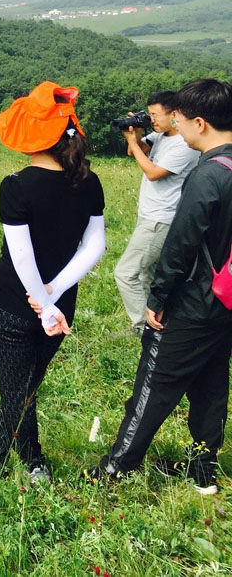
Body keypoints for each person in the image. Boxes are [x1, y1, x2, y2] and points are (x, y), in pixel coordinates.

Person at [91, 79, 232, 495]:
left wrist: (157, 300)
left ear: (200, 123)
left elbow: (182, 244)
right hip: (226, 300)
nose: (178, 128)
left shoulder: (208, 175)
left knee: (154, 385)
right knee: (211, 382)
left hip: (193, 299)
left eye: (181, 121)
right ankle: (203, 468)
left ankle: (117, 468)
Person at [0, 82, 105, 482]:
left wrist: (42, 300)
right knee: (27, 384)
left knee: (17, 389)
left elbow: (21, 256)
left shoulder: (16, 186)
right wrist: (53, 296)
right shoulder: (90, 182)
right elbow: (94, 248)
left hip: (13, 303)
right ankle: (31, 456)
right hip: (60, 304)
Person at [113, 91, 199, 334]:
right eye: (148, 115)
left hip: (161, 219)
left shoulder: (185, 144)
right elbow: (135, 152)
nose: (152, 120)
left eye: (154, 115)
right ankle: (162, 322)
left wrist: (132, 142)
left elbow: (152, 172)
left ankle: (143, 328)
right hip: (149, 215)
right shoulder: (160, 135)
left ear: (174, 114)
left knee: (125, 273)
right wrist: (136, 135)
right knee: (150, 275)